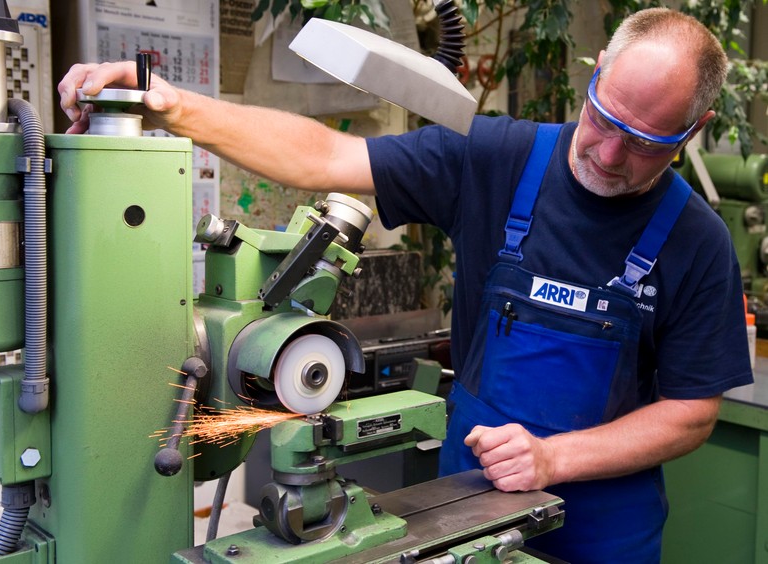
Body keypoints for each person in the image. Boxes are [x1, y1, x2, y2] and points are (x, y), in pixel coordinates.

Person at [59, 7, 753, 563]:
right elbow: (323, 155)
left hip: (606, 531)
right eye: (603, 117)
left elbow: (689, 412)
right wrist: (172, 105)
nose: (606, 154)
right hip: (467, 507)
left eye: (642, 141)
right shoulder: (496, 158)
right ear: (595, 73)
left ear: (694, 128)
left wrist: (554, 457)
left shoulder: (697, 242)